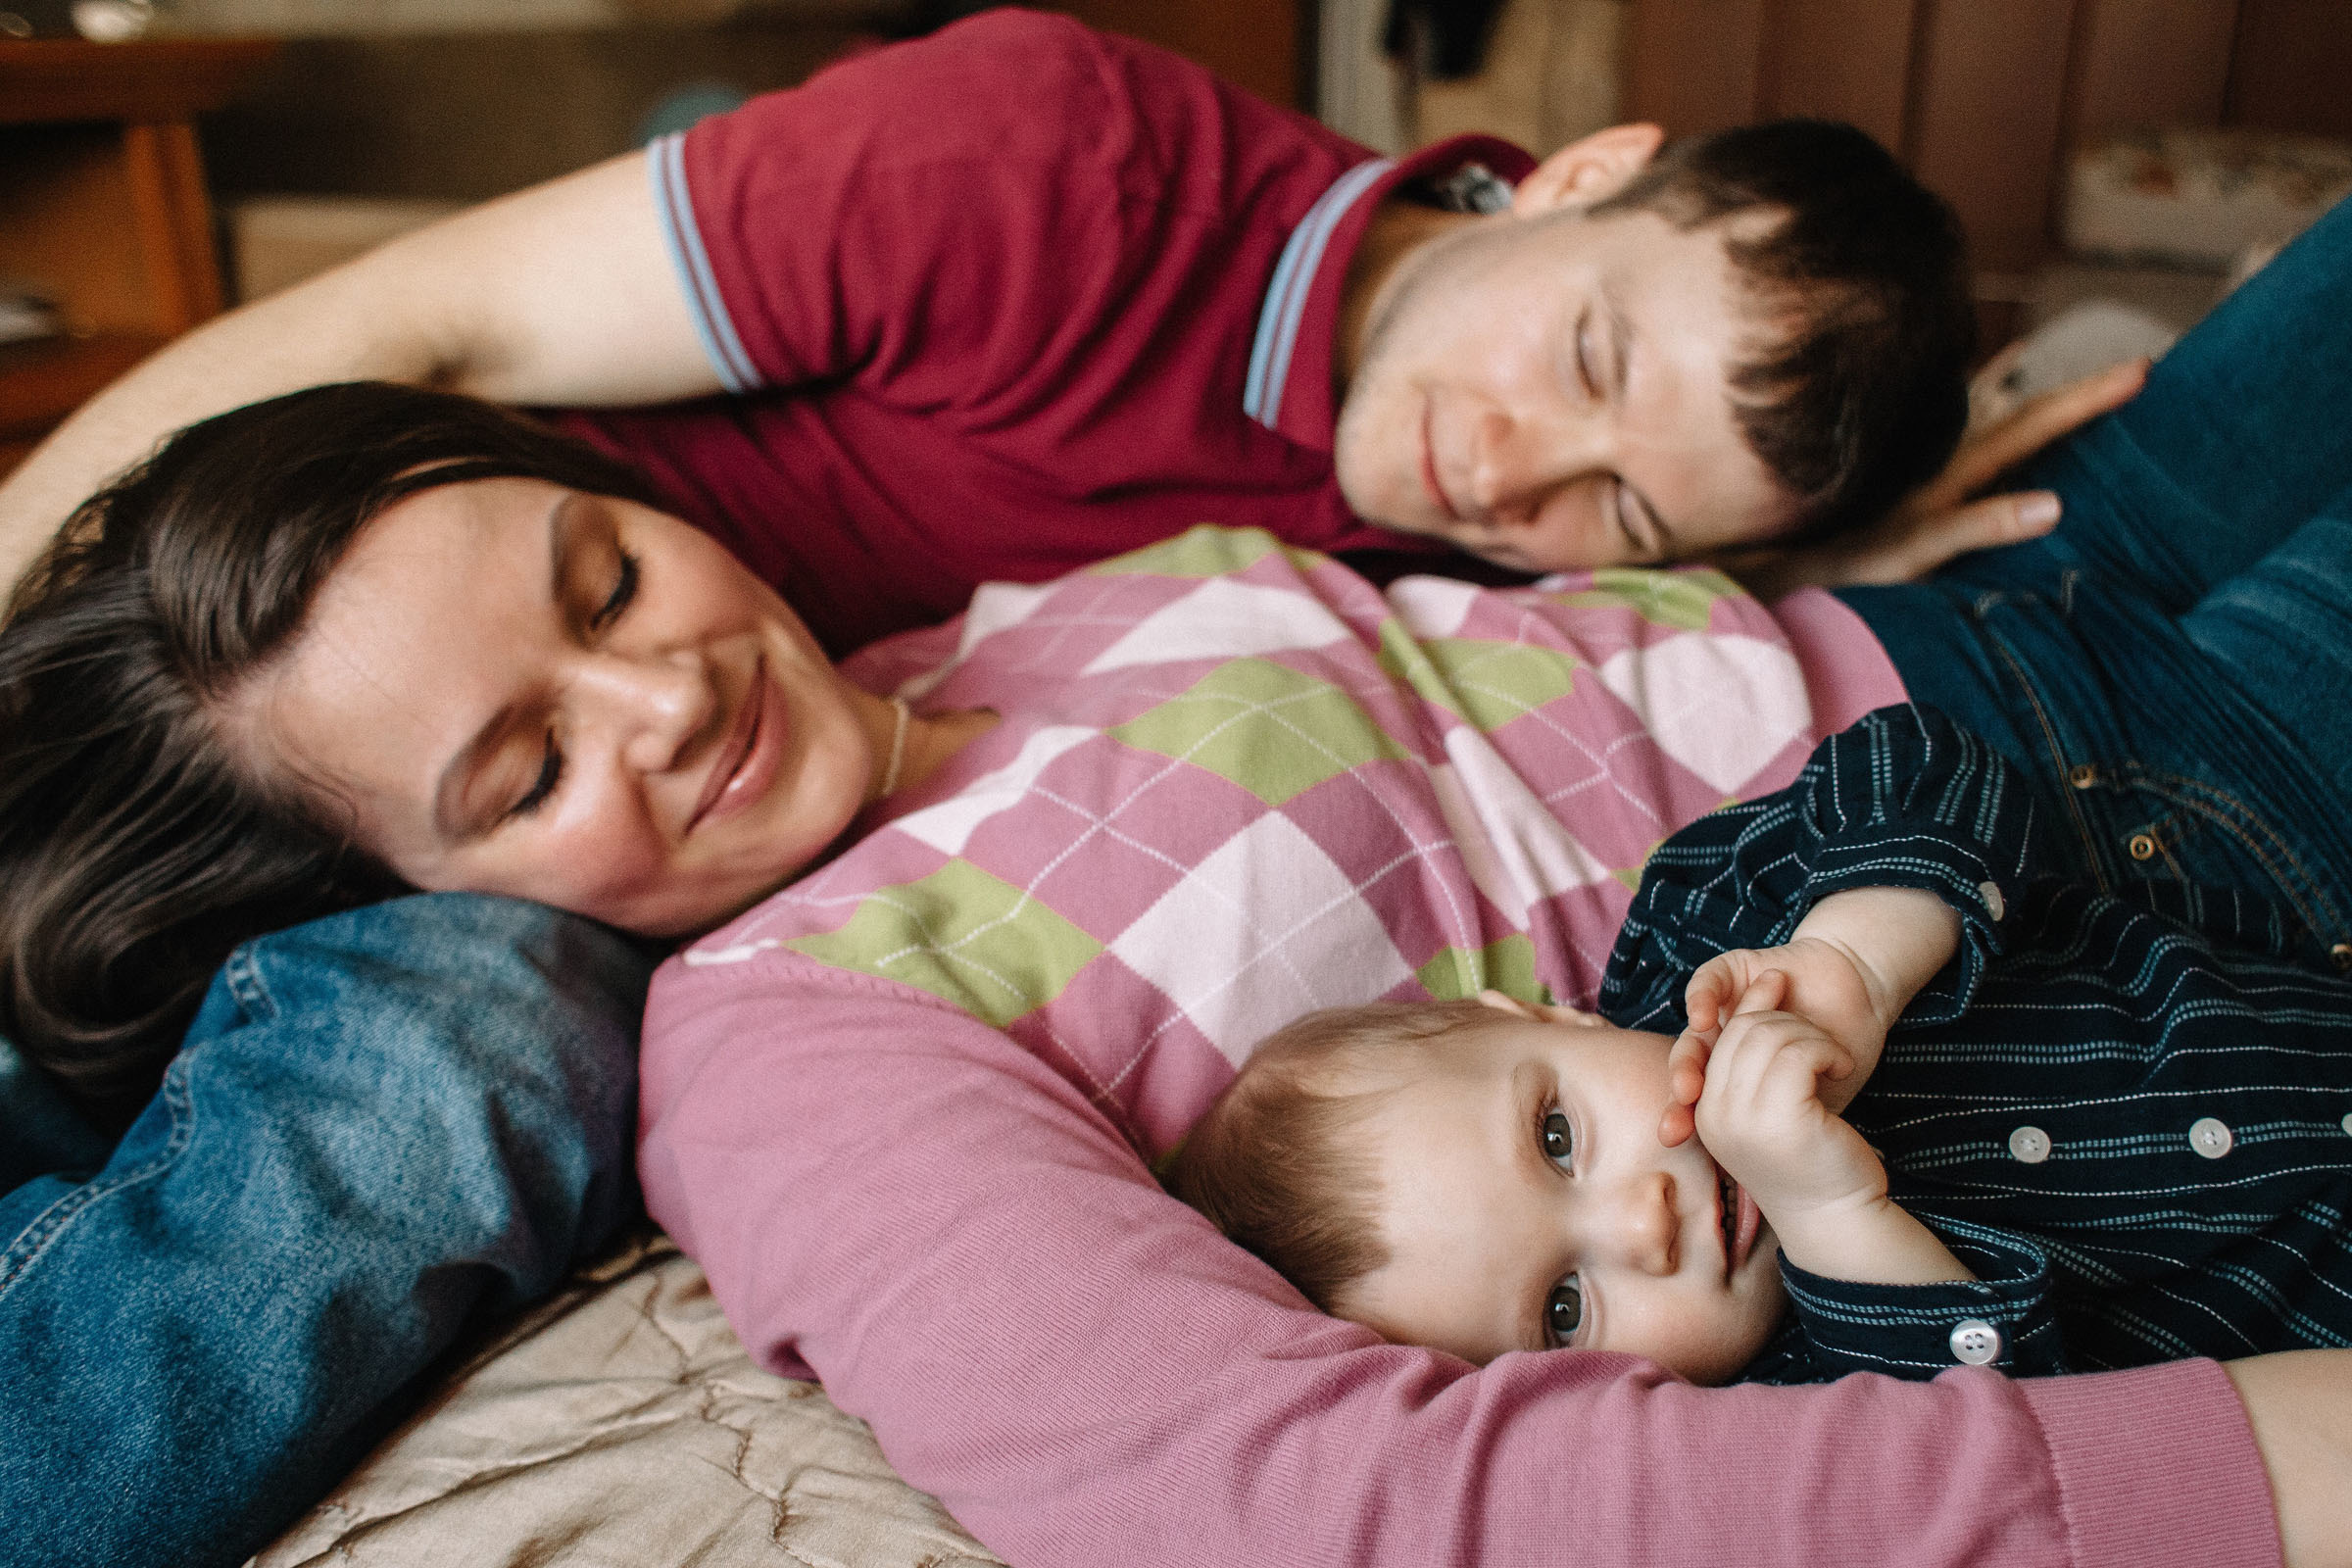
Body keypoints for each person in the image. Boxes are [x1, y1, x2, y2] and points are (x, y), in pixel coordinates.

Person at [0, 11, 2327, 1564]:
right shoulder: (796, 1039)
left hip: (1981, 610)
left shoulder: (990, 593)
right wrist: (2239, 1476)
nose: (672, 691)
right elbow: (1283, 1493)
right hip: (2107, 840)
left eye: (605, 573)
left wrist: (1805, 516)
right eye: (521, 772)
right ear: (412, 899)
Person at [1172, 704, 2352, 1384]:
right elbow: (2028, 1440)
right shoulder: (1804, 1402)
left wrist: (1854, 961)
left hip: (2301, 939)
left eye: (1556, 1135)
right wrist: (1832, 1216)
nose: (1644, 1223)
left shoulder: (1705, 943)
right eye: (1566, 1309)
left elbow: (1931, 760)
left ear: (1535, 1015)